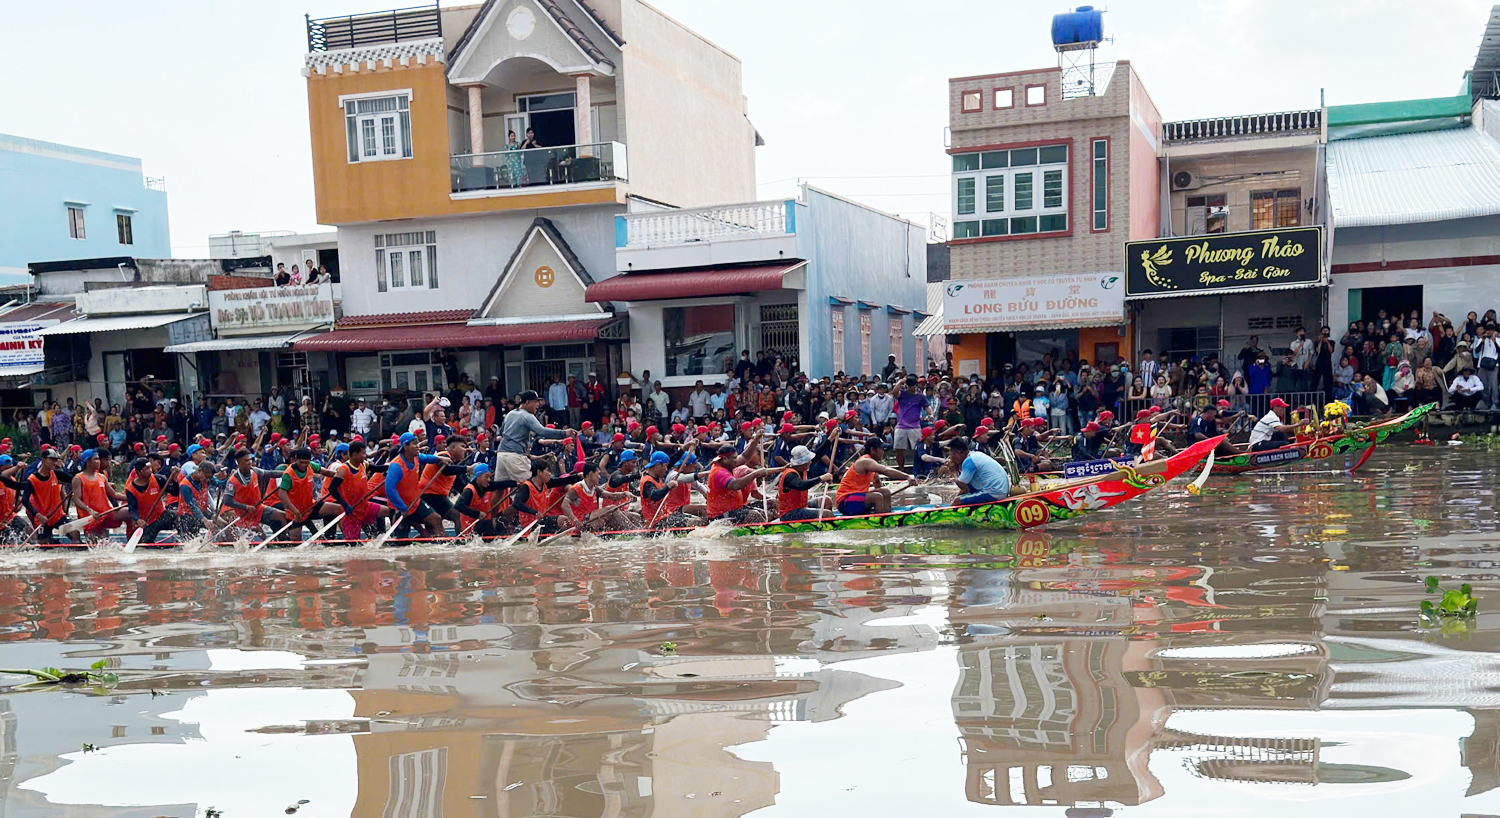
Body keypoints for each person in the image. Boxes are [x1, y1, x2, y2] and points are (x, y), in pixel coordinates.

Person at [496, 390, 571, 482]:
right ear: (528, 402)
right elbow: (541, 431)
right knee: (530, 485)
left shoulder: (510, 413)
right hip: (515, 455)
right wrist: (564, 433)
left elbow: (500, 433)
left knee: (500, 489)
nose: (538, 405)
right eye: (535, 402)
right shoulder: (527, 416)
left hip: (501, 453)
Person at [834, 439, 916, 516]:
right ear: (873, 450)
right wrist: (907, 476)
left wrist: (885, 499)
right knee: (877, 497)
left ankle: (887, 516)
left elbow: (877, 483)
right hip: (845, 501)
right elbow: (885, 470)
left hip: (855, 499)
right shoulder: (865, 461)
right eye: (881, 449)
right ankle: (880, 521)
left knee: (885, 492)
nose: (883, 452)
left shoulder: (872, 465)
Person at [704, 444, 778, 524]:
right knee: (754, 515)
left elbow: (745, 456)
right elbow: (736, 485)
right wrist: (755, 474)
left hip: (735, 509)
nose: (737, 460)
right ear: (725, 459)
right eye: (734, 458)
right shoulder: (719, 472)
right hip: (720, 515)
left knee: (765, 511)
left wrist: (756, 439)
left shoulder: (726, 464)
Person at [71, 449, 126, 539]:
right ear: (88, 461)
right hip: (91, 518)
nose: (99, 462)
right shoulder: (78, 478)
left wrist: (132, 498)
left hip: (106, 514)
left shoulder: (102, 476)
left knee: (130, 512)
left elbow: (114, 494)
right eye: (96, 459)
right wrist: (90, 511)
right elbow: (76, 499)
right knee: (97, 547)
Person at [945, 436, 1012, 506]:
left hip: (993, 492)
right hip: (999, 491)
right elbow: (966, 489)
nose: (950, 458)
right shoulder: (974, 456)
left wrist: (953, 471)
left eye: (951, 454)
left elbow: (963, 486)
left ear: (959, 452)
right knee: (961, 497)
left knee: (957, 501)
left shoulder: (969, 461)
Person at [776, 445, 834, 521]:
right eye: (808, 460)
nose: (810, 462)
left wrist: (831, 438)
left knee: (827, 500)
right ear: (801, 463)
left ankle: (822, 525)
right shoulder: (790, 475)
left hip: (801, 506)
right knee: (827, 514)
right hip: (789, 514)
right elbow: (801, 485)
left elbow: (818, 454)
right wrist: (820, 479)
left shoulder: (802, 468)